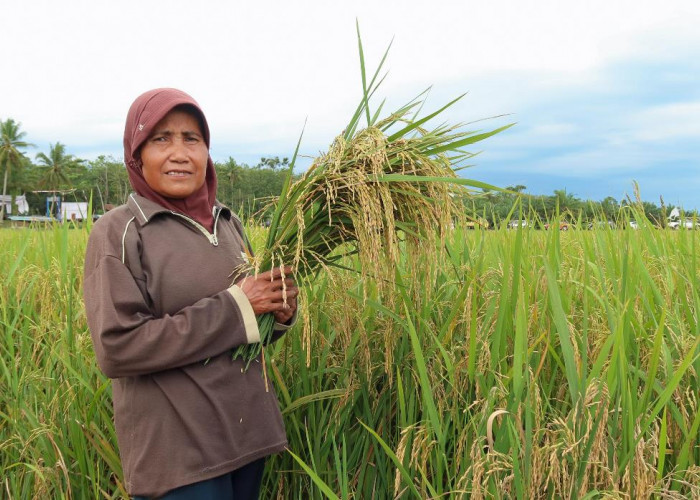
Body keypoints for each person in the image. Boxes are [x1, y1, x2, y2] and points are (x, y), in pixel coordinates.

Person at [83, 88, 298, 499]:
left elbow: (248, 328)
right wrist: (238, 306)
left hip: (247, 435)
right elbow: (118, 348)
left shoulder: (228, 223)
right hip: (179, 455)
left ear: (207, 152)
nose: (179, 153)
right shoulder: (119, 231)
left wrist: (278, 313)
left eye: (191, 139)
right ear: (137, 154)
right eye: (161, 138)